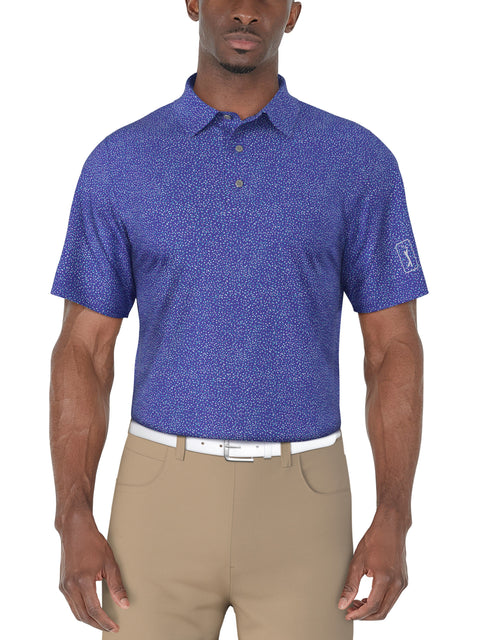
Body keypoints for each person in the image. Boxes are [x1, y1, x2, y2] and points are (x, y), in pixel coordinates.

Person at [49, 1, 428, 638]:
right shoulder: (122, 162)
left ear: (294, 11)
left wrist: (395, 512)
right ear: (193, 2)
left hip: (306, 506)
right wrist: (71, 516)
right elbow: (83, 350)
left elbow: (393, 348)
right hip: (157, 502)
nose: (246, 11)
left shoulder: (356, 161)